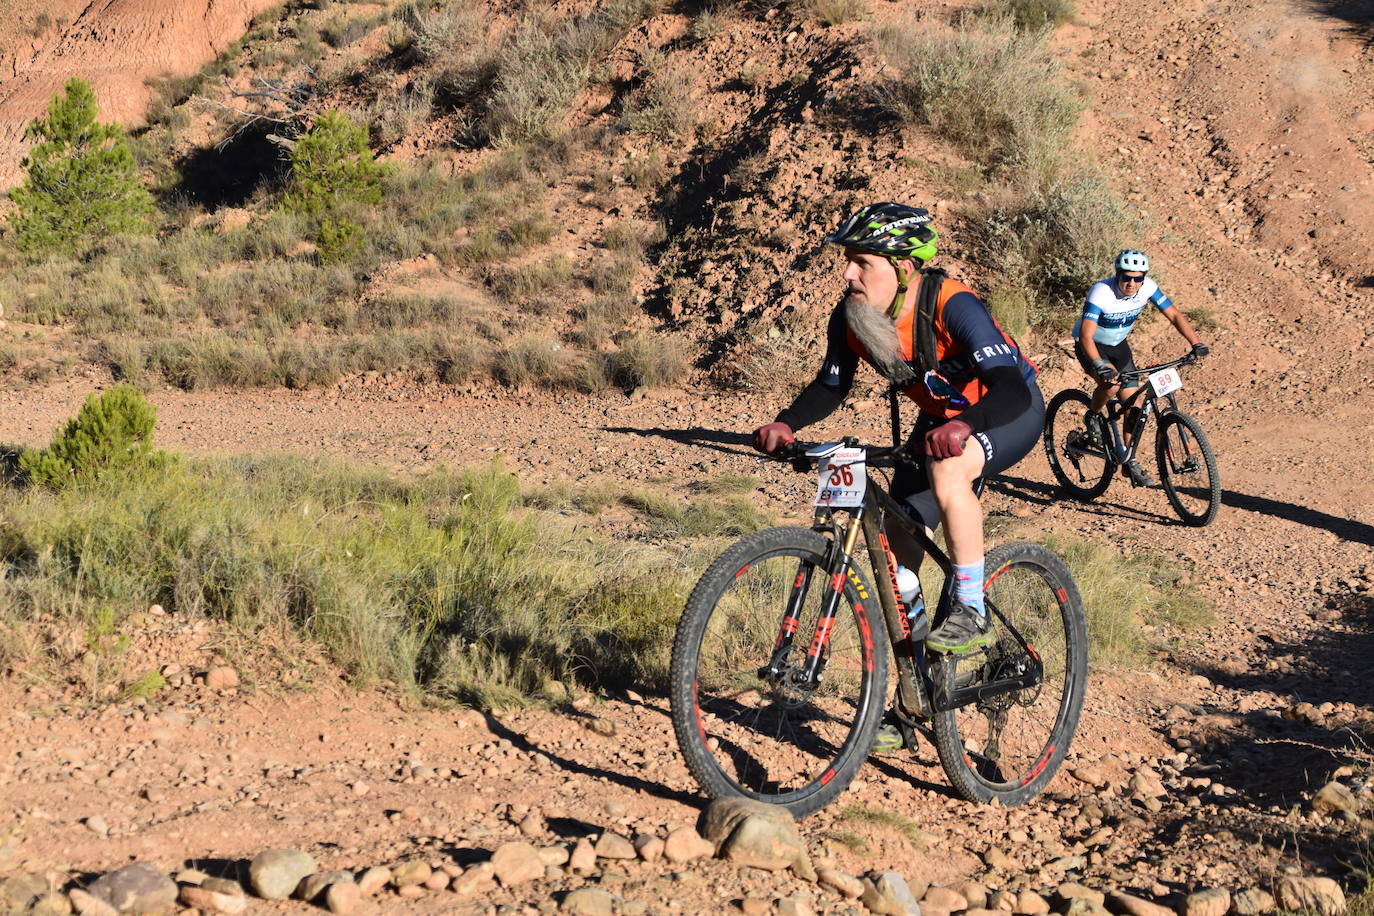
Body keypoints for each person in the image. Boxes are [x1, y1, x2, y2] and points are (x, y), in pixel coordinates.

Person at [751, 200, 1043, 671]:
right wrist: (787, 423)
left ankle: (972, 609)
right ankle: (914, 698)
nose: (848, 273)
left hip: (1004, 411)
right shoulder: (854, 318)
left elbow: (1008, 386)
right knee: (895, 556)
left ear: (904, 268)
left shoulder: (952, 303)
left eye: (863, 262)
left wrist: (965, 424)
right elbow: (831, 385)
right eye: (848, 260)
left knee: (949, 469)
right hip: (941, 422)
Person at [1072, 250, 1209, 486]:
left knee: (1133, 406)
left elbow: (1174, 315)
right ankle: (1093, 414)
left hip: (1118, 347)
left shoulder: (1148, 288)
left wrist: (1195, 343)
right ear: (1117, 275)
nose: (1132, 283)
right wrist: (1099, 366)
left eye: (1138, 278)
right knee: (1112, 386)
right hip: (1092, 346)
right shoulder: (1102, 292)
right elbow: (1086, 335)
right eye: (1126, 277)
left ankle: (1128, 459)